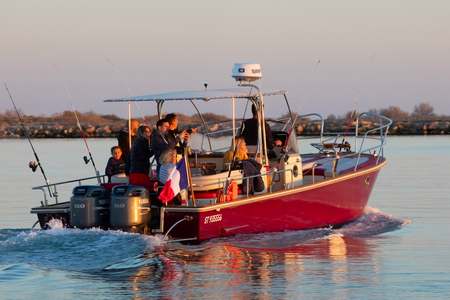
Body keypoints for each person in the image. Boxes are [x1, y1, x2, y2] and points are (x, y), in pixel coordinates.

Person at [129, 125, 153, 189]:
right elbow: (143, 156)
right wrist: (153, 151)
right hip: (138, 171)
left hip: (140, 171)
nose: (149, 133)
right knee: (140, 189)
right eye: (146, 132)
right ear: (141, 133)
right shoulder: (140, 142)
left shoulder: (143, 141)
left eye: (149, 131)